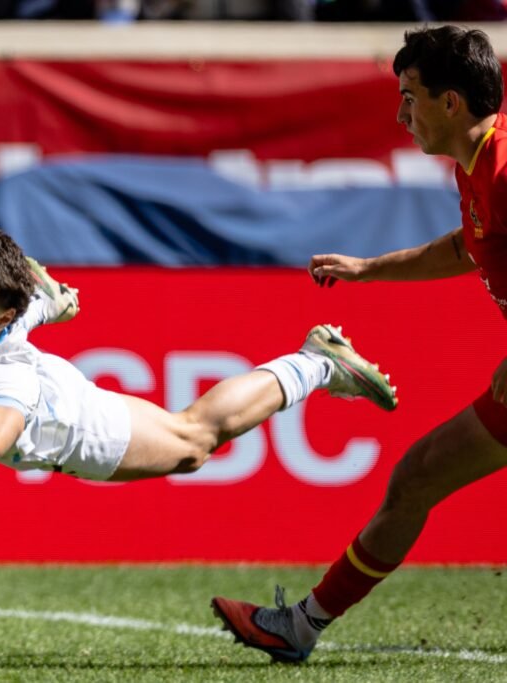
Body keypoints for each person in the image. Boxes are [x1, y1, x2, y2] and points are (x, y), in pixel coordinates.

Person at [211, 25, 507, 664]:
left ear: (450, 102)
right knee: (418, 476)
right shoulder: (478, 167)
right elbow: (467, 246)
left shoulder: (506, 167)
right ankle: (300, 626)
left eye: (410, 98)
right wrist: (371, 268)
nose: (401, 116)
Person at [0, 227, 395, 485]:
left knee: (192, 443)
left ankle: (318, 362)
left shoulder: (8, 372)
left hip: (61, 420)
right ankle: (44, 299)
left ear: (1, 317)